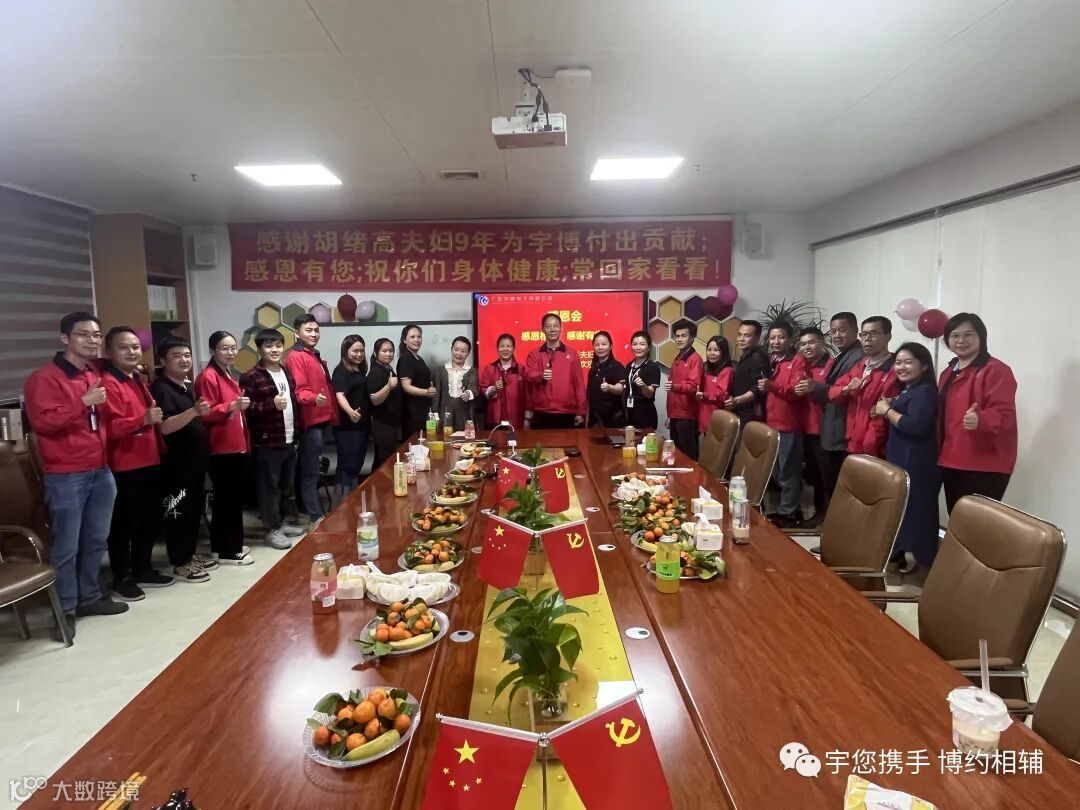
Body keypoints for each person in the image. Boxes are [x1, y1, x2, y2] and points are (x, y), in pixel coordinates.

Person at [24, 312, 127, 635]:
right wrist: (82, 402)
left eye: (96, 335)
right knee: (66, 546)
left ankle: (89, 596)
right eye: (84, 334)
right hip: (66, 474)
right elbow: (43, 423)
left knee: (96, 540)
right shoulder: (44, 378)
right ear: (65, 338)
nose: (92, 340)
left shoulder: (91, 373)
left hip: (100, 470)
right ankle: (65, 609)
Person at [100, 327, 171, 601]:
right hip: (125, 463)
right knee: (124, 524)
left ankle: (142, 568)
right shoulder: (108, 383)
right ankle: (122, 577)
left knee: (149, 519)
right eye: (123, 347)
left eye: (135, 347)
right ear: (108, 352)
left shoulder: (137, 379)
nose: (132, 352)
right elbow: (110, 428)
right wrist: (142, 420)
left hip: (150, 457)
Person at [937, 313, 1018, 512]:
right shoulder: (948, 372)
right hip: (951, 458)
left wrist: (981, 420)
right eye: (955, 336)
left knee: (978, 523)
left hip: (984, 463)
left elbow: (1004, 413)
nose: (961, 341)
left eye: (968, 335)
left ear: (981, 337)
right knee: (957, 517)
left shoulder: (996, 370)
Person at [872, 343, 940, 572]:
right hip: (902, 456)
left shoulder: (925, 391)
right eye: (898, 362)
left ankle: (919, 559)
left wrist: (887, 410)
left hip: (917, 460)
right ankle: (901, 552)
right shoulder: (909, 389)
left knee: (916, 510)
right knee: (903, 507)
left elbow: (915, 426)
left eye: (908, 362)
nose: (901, 367)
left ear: (924, 366)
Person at [151, 336, 214, 583]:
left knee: (193, 511)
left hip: (194, 462)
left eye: (187, 355)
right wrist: (194, 411)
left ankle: (189, 555)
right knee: (178, 513)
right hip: (175, 464)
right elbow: (164, 427)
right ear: (162, 360)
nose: (184, 360)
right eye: (176, 356)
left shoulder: (184, 386)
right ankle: (180, 562)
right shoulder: (161, 388)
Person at [241, 329, 307, 551]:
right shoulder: (252, 376)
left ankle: (281, 522)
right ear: (260, 349)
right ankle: (271, 529)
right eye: (269, 346)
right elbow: (246, 408)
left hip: (288, 437)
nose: (274, 350)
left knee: (286, 486)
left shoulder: (285, 371)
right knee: (269, 488)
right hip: (267, 441)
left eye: (278, 345)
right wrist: (271, 405)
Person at [194, 331, 253, 565]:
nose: (230, 352)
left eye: (233, 348)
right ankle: (227, 550)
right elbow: (205, 412)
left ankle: (229, 545)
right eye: (224, 348)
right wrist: (231, 406)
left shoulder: (227, 373)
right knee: (226, 500)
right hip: (221, 447)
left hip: (235, 444)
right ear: (212, 351)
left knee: (232, 499)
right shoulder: (208, 376)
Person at [801, 312, 863, 498]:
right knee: (823, 478)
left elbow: (844, 390)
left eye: (842, 330)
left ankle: (828, 514)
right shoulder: (843, 355)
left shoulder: (858, 356)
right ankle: (822, 512)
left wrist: (815, 387)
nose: (837, 335)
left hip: (840, 427)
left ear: (856, 331)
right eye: (833, 331)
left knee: (834, 483)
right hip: (829, 426)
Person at [285, 314, 338, 526]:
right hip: (310, 420)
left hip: (321, 417)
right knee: (310, 470)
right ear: (297, 333)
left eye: (316, 330)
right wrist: (315, 398)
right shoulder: (296, 356)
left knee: (309, 468)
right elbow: (300, 391)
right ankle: (315, 516)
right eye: (308, 330)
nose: (314, 334)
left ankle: (304, 510)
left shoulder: (313, 354)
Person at [758, 323, 807, 528]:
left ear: (790, 339)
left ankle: (790, 513)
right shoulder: (772, 360)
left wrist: (772, 386)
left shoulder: (798, 360)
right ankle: (789, 507)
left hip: (789, 423)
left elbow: (796, 391)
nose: (776, 342)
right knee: (777, 470)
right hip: (772, 423)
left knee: (789, 471)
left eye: (781, 337)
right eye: (772, 338)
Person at [828, 316, 898, 458]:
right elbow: (832, 393)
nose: (867, 339)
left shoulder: (894, 369)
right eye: (864, 334)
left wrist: (869, 448)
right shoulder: (860, 366)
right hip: (852, 443)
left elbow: (880, 418)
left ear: (888, 336)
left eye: (873, 333)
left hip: (876, 448)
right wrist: (846, 390)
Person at [794, 327, 831, 527]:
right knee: (812, 473)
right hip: (803, 427)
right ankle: (816, 512)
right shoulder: (800, 365)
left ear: (822, 342)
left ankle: (824, 515)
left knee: (824, 476)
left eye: (811, 342)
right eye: (803, 344)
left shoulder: (831, 365)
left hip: (823, 429)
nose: (807, 347)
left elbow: (835, 393)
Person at [523, 313, 586, 429]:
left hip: (567, 412)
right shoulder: (535, 354)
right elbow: (528, 375)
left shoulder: (572, 353)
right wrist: (541, 375)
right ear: (542, 329)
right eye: (548, 326)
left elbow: (579, 384)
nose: (552, 329)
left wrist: (581, 411)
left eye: (556, 326)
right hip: (542, 412)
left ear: (561, 328)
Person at [332, 335, 371, 493]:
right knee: (346, 466)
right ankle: (342, 501)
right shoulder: (341, 370)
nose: (359, 354)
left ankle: (352, 497)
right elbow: (339, 394)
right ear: (345, 351)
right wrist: (350, 412)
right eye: (355, 351)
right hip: (347, 426)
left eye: (361, 351)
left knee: (356, 464)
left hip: (361, 425)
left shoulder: (359, 369)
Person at [664, 319, 703, 459]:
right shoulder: (677, 358)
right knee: (677, 456)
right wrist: (670, 415)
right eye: (677, 336)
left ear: (692, 338)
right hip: (675, 415)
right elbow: (671, 392)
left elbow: (694, 387)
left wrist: (675, 387)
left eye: (683, 336)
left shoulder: (695, 359)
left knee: (689, 457)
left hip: (687, 416)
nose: (679, 339)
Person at [368, 338, 403, 470]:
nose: (388, 354)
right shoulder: (375, 372)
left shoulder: (387, 369)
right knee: (386, 463)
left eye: (391, 351)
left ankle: (375, 483)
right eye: (384, 351)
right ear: (376, 353)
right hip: (382, 424)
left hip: (391, 423)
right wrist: (388, 386)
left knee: (381, 462)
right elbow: (374, 400)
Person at [397, 323, 437, 438]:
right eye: (412, 337)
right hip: (412, 411)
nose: (417, 340)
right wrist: (426, 392)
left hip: (422, 409)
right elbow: (406, 387)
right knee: (415, 442)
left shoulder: (418, 358)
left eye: (419, 337)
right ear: (404, 340)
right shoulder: (406, 359)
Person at [726, 320, 770, 423]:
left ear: (757, 338)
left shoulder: (759, 359)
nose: (741, 339)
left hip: (751, 416)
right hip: (739, 411)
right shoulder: (745, 356)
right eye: (739, 334)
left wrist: (736, 400)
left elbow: (758, 388)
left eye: (747, 336)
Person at [433, 336, 480, 432]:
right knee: (445, 438)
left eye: (463, 351)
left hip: (464, 414)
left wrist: (468, 393)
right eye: (456, 349)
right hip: (445, 413)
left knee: (464, 439)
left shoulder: (472, 371)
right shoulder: (440, 370)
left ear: (468, 353)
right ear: (451, 349)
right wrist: (435, 414)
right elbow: (436, 395)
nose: (459, 354)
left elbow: (474, 387)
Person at [480, 333, 525, 429]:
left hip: (516, 418)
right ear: (497, 348)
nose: (505, 349)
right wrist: (494, 389)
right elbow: (483, 391)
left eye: (509, 346)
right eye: (502, 346)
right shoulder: (489, 368)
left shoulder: (521, 369)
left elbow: (527, 394)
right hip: (494, 418)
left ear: (513, 348)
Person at [587, 330, 627, 428]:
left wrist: (609, 387)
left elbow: (620, 388)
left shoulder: (616, 366)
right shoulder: (593, 368)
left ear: (610, 346)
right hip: (595, 420)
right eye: (597, 345)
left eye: (604, 344)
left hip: (613, 420)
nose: (600, 347)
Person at [696, 336, 733, 437]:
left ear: (724, 352)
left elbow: (722, 395)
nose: (711, 353)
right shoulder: (706, 370)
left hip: (718, 418)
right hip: (704, 417)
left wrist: (704, 395)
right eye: (709, 349)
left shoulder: (727, 370)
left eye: (716, 350)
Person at [624, 330, 661, 430]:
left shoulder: (652, 367)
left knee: (645, 440)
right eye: (635, 344)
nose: (638, 347)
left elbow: (650, 394)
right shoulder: (629, 366)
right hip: (630, 412)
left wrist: (643, 386)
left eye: (642, 344)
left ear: (649, 348)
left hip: (645, 414)